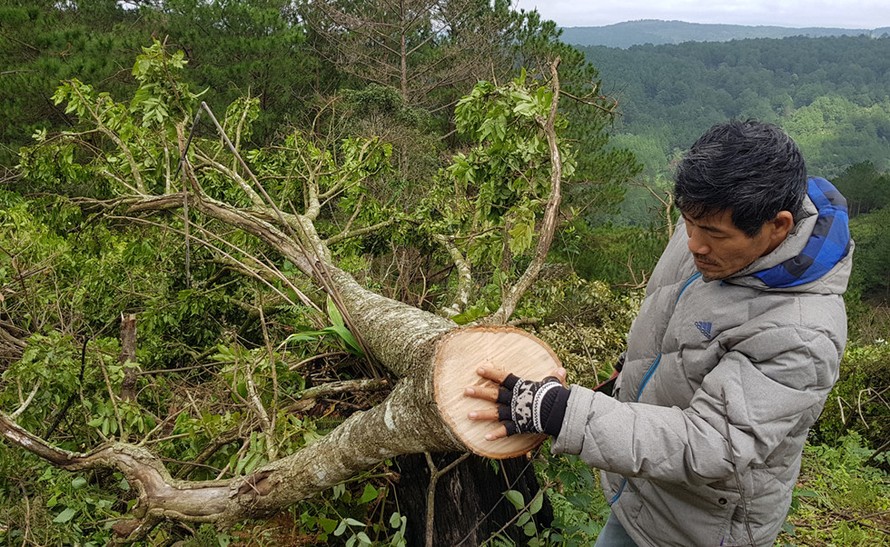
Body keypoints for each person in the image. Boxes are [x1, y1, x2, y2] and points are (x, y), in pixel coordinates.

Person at [465, 120, 853, 546]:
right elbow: (674, 335)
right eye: (687, 222)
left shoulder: (802, 333)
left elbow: (712, 443)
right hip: (645, 488)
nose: (693, 244)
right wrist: (622, 377)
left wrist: (561, 412)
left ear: (777, 226)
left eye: (712, 234)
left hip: (697, 525)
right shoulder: (712, 223)